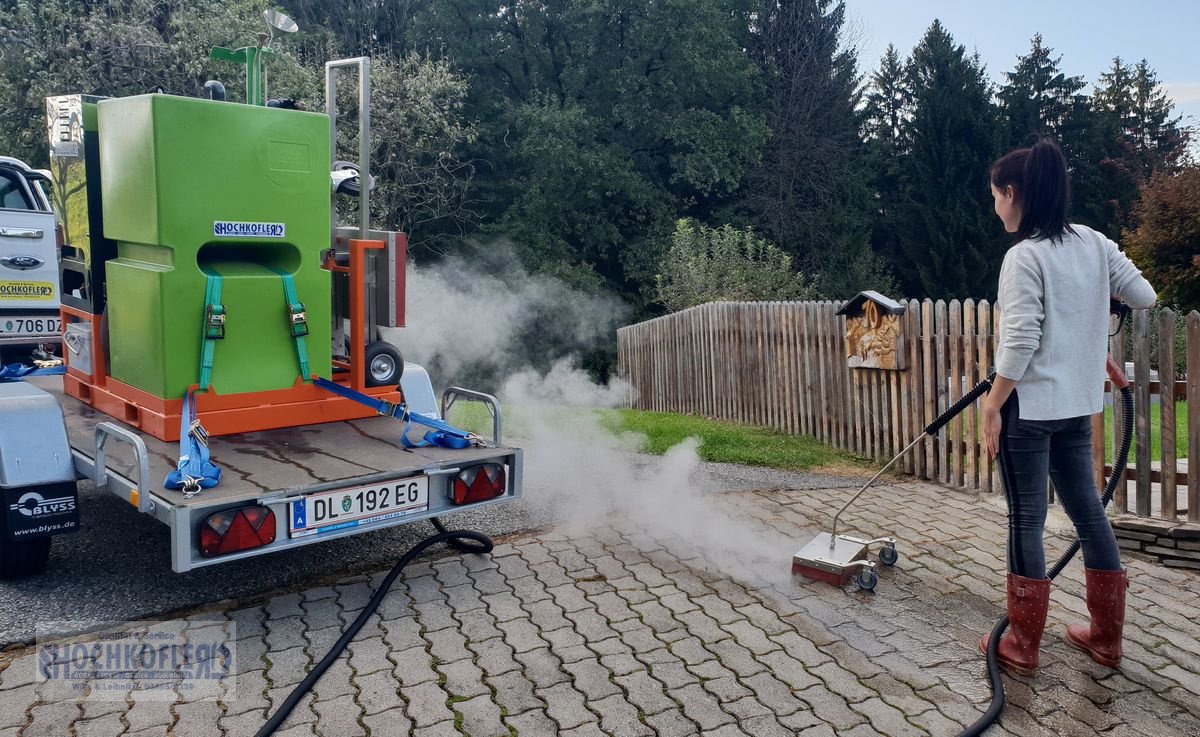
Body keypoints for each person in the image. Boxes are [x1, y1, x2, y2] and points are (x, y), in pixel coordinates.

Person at [979, 137, 1156, 676]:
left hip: (1029, 410)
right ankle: (1106, 639)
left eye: (995, 196)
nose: (995, 208)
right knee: (1087, 512)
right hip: (1076, 407)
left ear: (1014, 193)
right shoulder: (1095, 243)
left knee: (1026, 520)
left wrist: (992, 406)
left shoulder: (1023, 256)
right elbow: (1144, 295)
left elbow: (1022, 340)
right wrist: (1087, 339)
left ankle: (1023, 647)